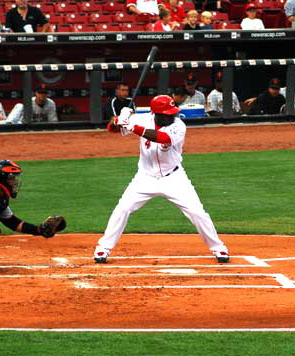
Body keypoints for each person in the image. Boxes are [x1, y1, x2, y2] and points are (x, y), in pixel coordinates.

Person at [93, 95, 230, 264]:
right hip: (145, 177)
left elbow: (161, 138)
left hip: (174, 178)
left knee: (197, 212)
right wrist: (118, 120)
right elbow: (111, 129)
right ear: (155, 113)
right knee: (122, 209)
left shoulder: (178, 125)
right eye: (166, 114)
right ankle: (103, 248)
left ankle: (218, 247)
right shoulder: (141, 119)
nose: (171, 116)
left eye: (172, 113)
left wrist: (131, 125)